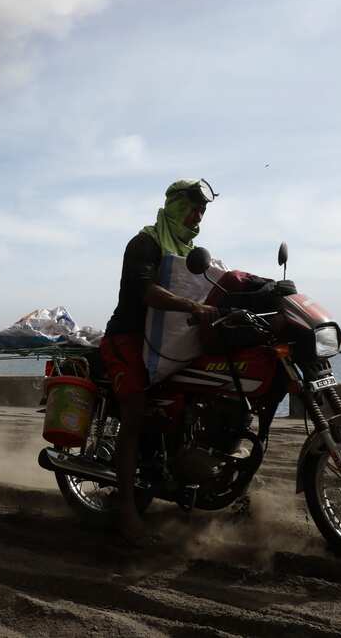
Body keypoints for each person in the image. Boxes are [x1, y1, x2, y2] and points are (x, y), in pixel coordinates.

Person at [100, 179, 219, 544]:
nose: (197, 215)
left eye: (202, 210)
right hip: (128, 339)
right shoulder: (145, 242)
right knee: (134, 415)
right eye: (192, 207)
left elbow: (216, 285)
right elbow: (146, 289)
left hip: (170, 343)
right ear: (174, 205)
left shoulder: (195, 253)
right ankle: (126, 510)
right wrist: (191, 306)